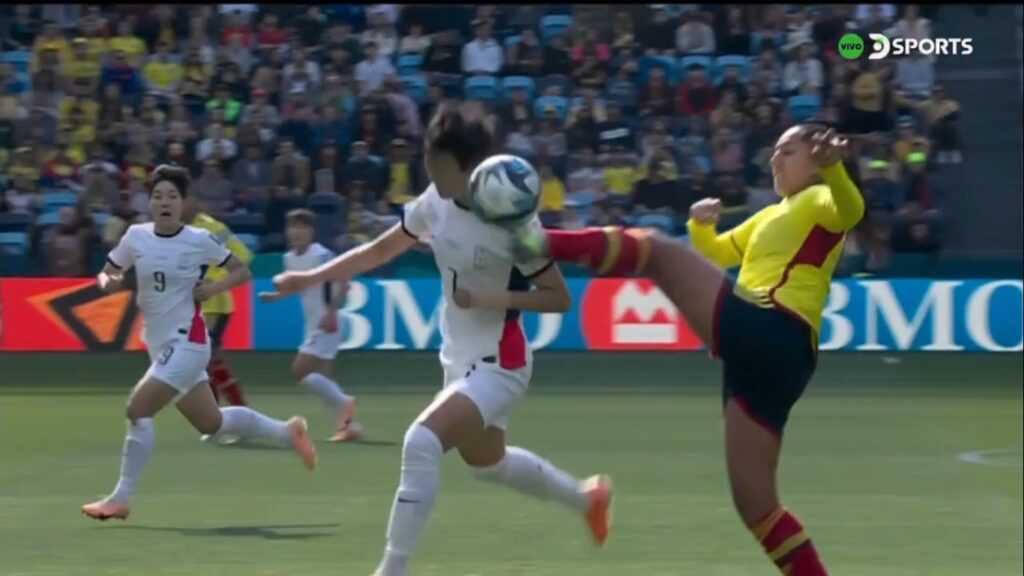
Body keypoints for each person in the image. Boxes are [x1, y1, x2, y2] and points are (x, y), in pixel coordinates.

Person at [267, 103, 613, 576]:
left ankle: (392, 569)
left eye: (438, 164)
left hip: (500, 363)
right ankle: (586, 498)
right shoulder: (435, 200)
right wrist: (308, 279)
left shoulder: (517, 225)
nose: (428, 171)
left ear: (471, 168)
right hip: (458, 357)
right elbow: (380, 250)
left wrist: (492, 296)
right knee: (486, 462)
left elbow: (558, 298)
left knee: (421, 442)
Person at [515, 125, 864, 576]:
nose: (774, 160)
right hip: (780, 358)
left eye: (787, 151)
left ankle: (534, 241)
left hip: (772, 325)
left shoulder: (820, 198)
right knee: (757, 507)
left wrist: (835, 170)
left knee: (655, 253)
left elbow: (851, 210)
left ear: (816, 160)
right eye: (774, 151)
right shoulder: (777, 212)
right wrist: (701, 225)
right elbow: (717, 254)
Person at [82, 165, 318, 522]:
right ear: (150, 201)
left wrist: (212, 289)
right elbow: (108, 271)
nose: (164, 202)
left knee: (138, 409)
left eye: (172, 196)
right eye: (158, 195)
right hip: (159, 344)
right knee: (212, 424)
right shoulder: (136, 237)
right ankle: (287, 432)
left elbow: (242, 270)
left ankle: (120, 498)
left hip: (189, 342)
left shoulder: (199, 240)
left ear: (183, 202)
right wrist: (108, 282)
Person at [258, 209, 363, 442]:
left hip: (327, 323)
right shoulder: (289, 258)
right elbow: (297, 287)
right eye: (293, 227)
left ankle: (346, 403)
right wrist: (275, 297)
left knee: (300, 371)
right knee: (321, 381)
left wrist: (332, 313)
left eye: (302, 227)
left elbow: (344, 281)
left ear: (311, 232)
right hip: (313, 323)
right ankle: (349, 426)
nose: (296, 232)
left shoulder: (322, 255)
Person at [183, 200, 253, 410]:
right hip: (190, 306)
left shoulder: (212, 227)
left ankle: (230, 412)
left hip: (214, 303)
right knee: (207, 362)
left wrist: (216, 280)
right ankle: (230, 414)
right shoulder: (173, 229)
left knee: (204, 360)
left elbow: (244, 255)